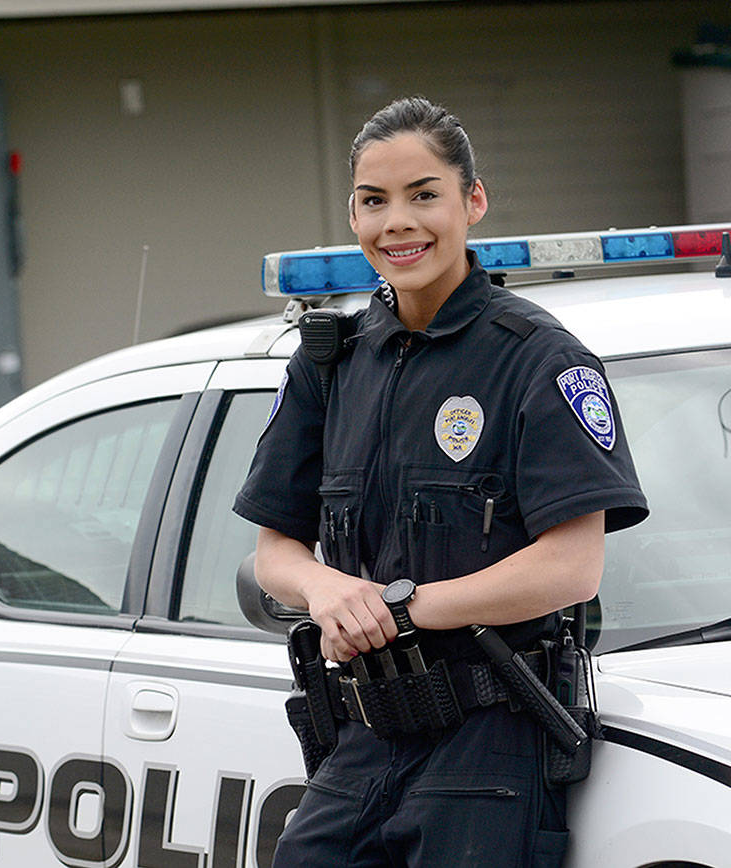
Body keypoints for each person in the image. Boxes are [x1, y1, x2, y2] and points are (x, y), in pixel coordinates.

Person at [232, 96, 648, 867]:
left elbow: (572, 566)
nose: (399, 223)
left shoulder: (538, 359)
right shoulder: (331, 361)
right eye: (374, 201)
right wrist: (327, 593)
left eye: (425, 195)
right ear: (352, 215)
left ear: (473, 201)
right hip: (363, 737)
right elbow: (274, 551)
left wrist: (404, 607)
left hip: (490, 746)